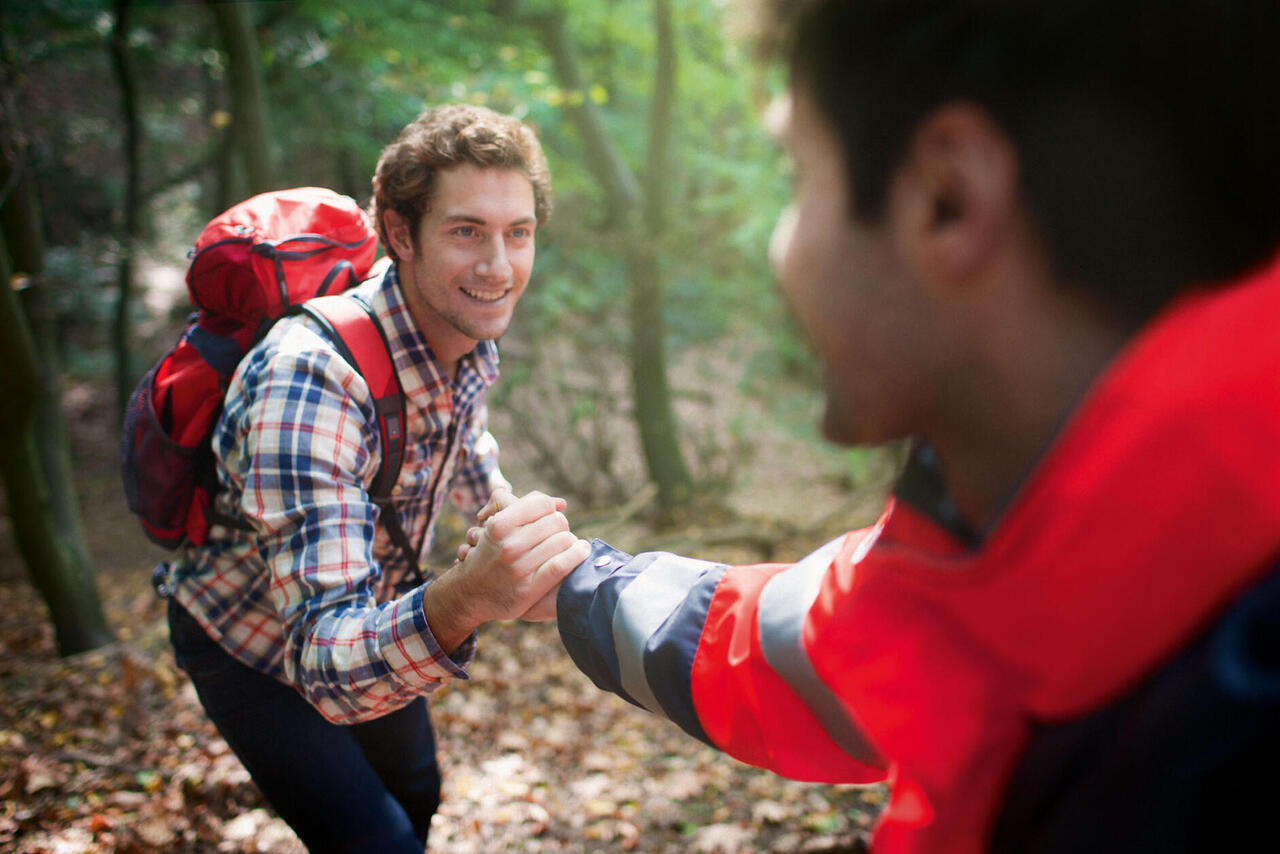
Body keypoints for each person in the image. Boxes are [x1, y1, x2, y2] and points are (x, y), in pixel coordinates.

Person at [480, 2, 1280, 851]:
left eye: (797, 176)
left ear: (948, 198)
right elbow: (792, 649)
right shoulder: (1003, 542)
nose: (780, 250)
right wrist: (577, 582)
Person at [160, 104, 590, 853]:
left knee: (418, 792)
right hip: (251, 640)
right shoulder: (309, 380)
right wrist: (469, 597)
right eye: (466, 231)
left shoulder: (458, 328)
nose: (499, 266)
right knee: (376, 842)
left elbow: (460, 433)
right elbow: (324, 662)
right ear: (399, 232)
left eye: (517, 233)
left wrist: (502, 512)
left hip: (368, 613)